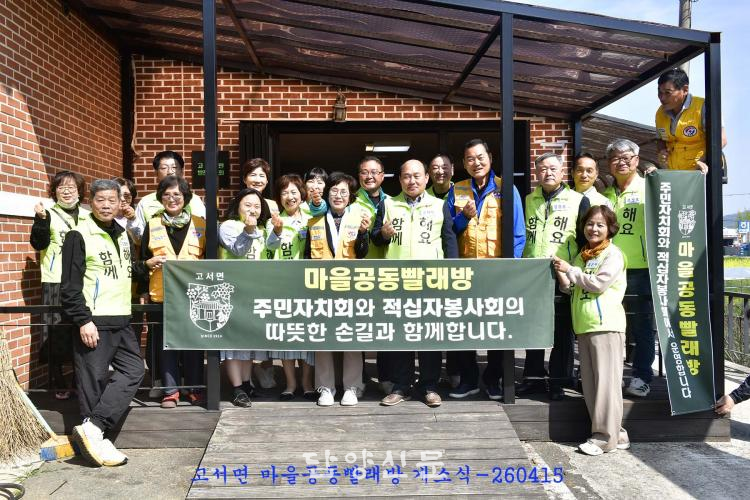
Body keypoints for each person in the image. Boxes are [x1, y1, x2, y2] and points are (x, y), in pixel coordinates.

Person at [61, 179, 146, 467]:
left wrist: (145, 267)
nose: (106, 205)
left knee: (135, 369)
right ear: (91, 201)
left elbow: (123, 271)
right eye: (100, 200)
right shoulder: (79, 234)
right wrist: (83, 320)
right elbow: (69, 286)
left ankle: (94, 427)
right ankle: (95, 443)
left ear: (121, 202)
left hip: (122, 319)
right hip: (94, 321)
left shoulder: (122, 233)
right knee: (92, 382)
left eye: (112, 200)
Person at [372, 159, 459, 408]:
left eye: (417, 175)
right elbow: (376, 238)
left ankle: (429, 386)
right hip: (397, 282)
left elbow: (449, 241)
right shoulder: (388, 204)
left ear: (426, 178)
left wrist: (451, 275)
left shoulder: (439, 205)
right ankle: (401, 386)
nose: (412, 181)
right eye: (407, 176)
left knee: (429, 334)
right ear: (400, 180)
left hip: (430, 282)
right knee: (401, 335)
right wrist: (382, 234)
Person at [446, 139, 526, 401]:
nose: (476, 163)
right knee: (464, 327)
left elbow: (518, 233)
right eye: (470, 159)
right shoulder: (457, 189)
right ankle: (468, 379)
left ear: (490, 158)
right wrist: (463, 217)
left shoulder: (506, 188)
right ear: (463, 163)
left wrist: (510, 268)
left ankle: (494, 379)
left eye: (480, 157)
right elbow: (449, 232)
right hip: (465, 272)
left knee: (496, 326)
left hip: (497, 272)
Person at [553, 205, 630, 455]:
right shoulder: (583, 255)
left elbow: (598, 284)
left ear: (610, 229)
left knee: (605, 386)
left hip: (606, 326)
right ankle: (618, 434)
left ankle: (603, 439)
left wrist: (570, 270)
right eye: (589, 224)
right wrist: (562, 273)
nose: (593, 229)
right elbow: (573, 287)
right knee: (593, 385)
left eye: (600, 225)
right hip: (585, 326)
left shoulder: (613, 254)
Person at [521, 152, 590, 400]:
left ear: (562, 172)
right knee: (533, 328)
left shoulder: (578, 200)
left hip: (563, 273)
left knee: (563, 330)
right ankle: (533, 378)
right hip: (532, 274)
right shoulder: (528, 200)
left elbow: (584, 241)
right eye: (542, 169)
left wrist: (574, 270)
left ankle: (559, 380)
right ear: (536, 173)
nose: (547, 173)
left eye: (552, 168)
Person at [139, 176, 206, 408]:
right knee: (165, 344)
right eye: (166, 194)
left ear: (186, 197)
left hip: (194, 294)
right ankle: (171, 391)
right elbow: (143, 259)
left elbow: (209, 259)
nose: (172, 199)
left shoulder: (201, 224)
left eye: (177, 194)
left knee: (192, 343)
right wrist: (143, 292)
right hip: (161, 294)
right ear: (160, 198)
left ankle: (194, 387)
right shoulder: (152, 224)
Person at [305, 172, 370, 406]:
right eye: (334, 191)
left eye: (343, 192)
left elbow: (362, 253)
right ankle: (325, 387)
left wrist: (363, 233)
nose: (338, 196)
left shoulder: (358, 219)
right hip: (320, 288)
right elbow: (306, 256)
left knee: (351, 336)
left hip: (350, 288)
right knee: (323, 337)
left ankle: (352, 386)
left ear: (350, 196)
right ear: (327, 194)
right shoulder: (313, 221)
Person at [30, 171, 89, 400]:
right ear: (54, 191)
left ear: (79, 191)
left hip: (83, 281)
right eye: (61, 187)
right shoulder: (48, 214)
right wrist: (40, 221)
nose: (66, 191)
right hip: (55, 281)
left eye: (71, 187)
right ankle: (59, 382)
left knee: (80, 329)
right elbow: (38, 243)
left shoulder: (88, 216)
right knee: (53, 333)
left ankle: (78, 380)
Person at [603, 139, 654, 398]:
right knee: (607, 324)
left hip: (640, 267)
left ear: (637, 160)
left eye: (626, 157)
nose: (621, 162)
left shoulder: (650, 188)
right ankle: (609, 375)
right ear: (608, 164)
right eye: (615, 158)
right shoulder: (605, 194)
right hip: (608, 270)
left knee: (642, 325)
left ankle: (642, 376)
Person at [218, 188, 273, 407]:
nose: (253, 210)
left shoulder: (262, 229)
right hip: (233, 292)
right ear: (237, 206)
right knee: (233, 341)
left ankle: (247, 383)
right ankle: (236, 387)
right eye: (247, 205)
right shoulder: (228, 226)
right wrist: (248, 230)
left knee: (249, 341)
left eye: (257, 206)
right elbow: (238, 250)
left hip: (255, 291)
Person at [266, 174, 316, 401]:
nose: (289, 196)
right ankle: (290, 384)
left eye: (294, 191)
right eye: (284, 192)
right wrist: (277, 231)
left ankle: (306, 383)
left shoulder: (312, 218)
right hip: (283, 285)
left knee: (308, 336)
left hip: (309, 285)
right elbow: (269, 249)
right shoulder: (274, 221)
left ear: (302, 195)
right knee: (286, 336)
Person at [655, 67, 726, 173]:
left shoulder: (703, 107)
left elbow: (721, 140)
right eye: (659, 92)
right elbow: (661, 139)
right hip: (676, 175)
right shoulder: (660, 113)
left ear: (685, 90)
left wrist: (704, 161)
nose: (662, 98)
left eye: (668, 92)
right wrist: (661, 152)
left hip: (703, 174)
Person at [129, 151, 206, 243]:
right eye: (164, 168)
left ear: (181, 171)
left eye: (174, 167)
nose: (170, 172)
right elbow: (139, 239)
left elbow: (203, 232)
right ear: (156, 173)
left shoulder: (195, 200)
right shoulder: (145, 202)